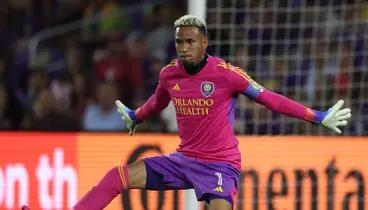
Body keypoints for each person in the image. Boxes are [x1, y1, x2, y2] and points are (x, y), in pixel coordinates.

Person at [22, 14, 351, 210]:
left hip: (220, 165)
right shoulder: (169, 74)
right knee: (117, 176)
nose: (183, 48)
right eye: (179, 42)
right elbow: (158, 102)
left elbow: (269, 98)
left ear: (203, 43)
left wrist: (316, 116)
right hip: (183, 160)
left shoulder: (226, 74)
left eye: (190, 42)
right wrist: (137, 116)